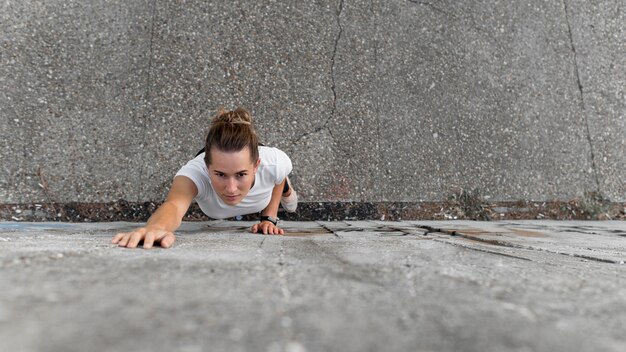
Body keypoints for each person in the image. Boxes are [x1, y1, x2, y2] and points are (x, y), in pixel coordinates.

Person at [111, 107, 298, 249]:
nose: (231, 189)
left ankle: (288, 189)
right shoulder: (194, 172)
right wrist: (156, 227)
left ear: (256, 166)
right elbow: (174, 205)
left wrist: (269, 218)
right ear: (208, 168)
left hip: (272, 179)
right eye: (220, 175)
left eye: (241, 175)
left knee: (283, 186)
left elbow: (278, 177)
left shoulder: (274, 162)